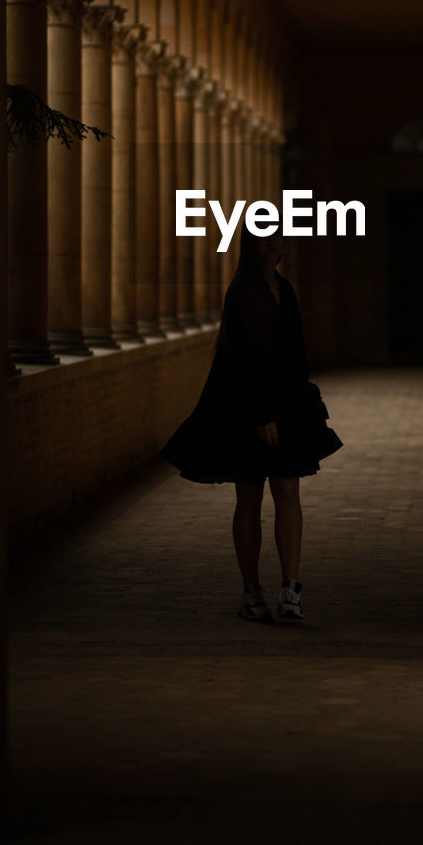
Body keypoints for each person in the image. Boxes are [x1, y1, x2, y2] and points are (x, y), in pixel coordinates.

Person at [160, 225, 342, 622]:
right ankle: (250, 590)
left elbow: (295, 355)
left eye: (278, 236)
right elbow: (241, 359)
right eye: (265, 238)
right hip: (246, 410)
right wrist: (261, 416)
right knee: (250, 498)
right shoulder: (242, 292)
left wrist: (302, 403)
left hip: (288, 405)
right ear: (250, 245)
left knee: (288, 493)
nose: (274, 243)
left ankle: (290, 589)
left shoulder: (285, 289)